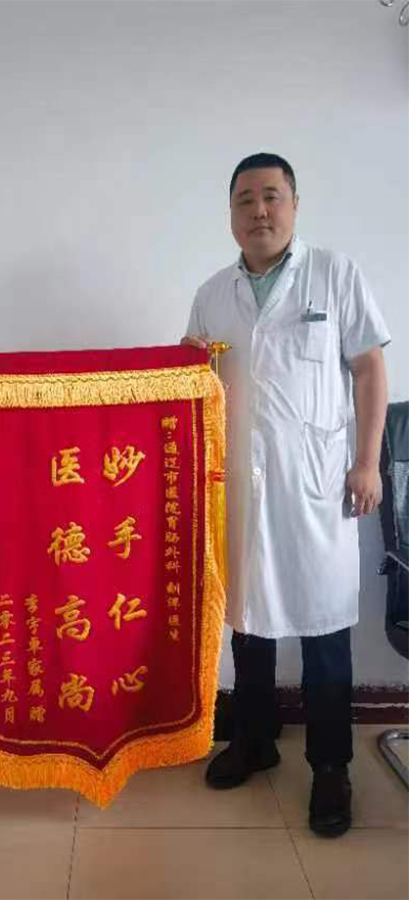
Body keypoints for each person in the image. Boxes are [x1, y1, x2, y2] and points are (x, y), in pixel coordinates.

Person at [182, 153, 390, 838]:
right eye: (245, 200)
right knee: (249, 617)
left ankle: (331, 766)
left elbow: (369, 369)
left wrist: (367, 463)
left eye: (271, 196)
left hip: (317, 485)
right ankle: (255, 738)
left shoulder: (334, 274)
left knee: (324, 624)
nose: (259, 211)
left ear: (294, 204)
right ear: (230, 214)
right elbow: (194, 387)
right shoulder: (212, 294)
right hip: (240, 485)